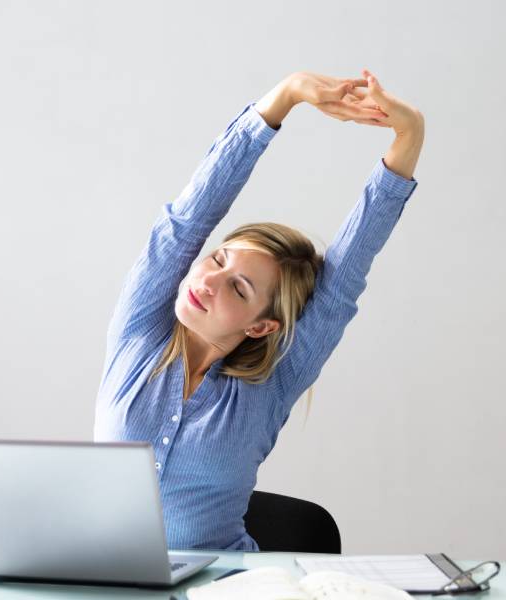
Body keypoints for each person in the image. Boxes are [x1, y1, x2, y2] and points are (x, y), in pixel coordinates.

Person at [94, 68, 424, 550]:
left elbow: (343, 280)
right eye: (218, 259)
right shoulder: (139, 332)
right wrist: (284, 97)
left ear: (262, 326)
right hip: (102, 582)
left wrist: (410, 131)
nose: (208, 281)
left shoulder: (272, 386)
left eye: (239, 288)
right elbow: (188, 219)